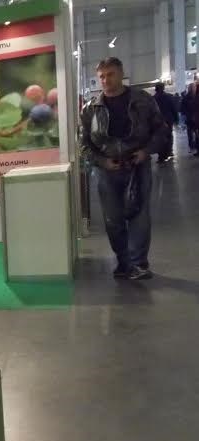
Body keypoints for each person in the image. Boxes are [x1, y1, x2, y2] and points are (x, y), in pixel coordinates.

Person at [80, 57, 166, 281]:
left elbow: (161, 130)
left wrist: (146, 152)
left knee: (140, 215)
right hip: (107, 170)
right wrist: (102, 162)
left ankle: (139, 264)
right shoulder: (90, 109)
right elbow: (84, 145)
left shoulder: (142, 101)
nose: (106, 80)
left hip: (137, 166)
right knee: (113, 219)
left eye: (110, 74)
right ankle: (123, 261)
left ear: (121, 74)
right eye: (101, 76)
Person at [153, 82, 178, 163]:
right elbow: (173, 109)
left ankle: (161, 156)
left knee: (159, 138)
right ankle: (169, 152)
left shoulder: (153, 99)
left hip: (157, 121)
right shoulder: (169, 97)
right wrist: (176, 119)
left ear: (156, 89)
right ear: (163, 88)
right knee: (169, 136)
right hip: (168, 120)